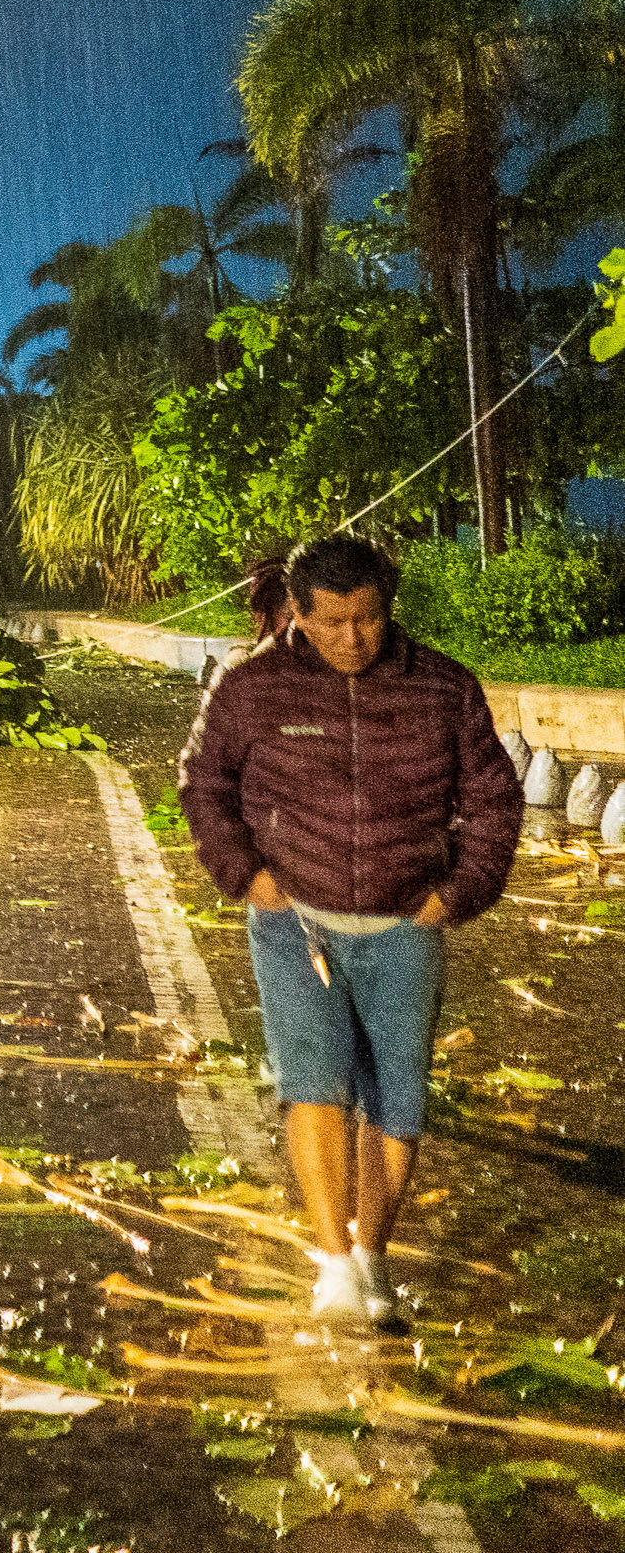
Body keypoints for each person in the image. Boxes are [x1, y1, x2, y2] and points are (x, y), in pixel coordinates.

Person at [178, 532, 520, 1329]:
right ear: (295, 612)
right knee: (315, 1086)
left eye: (365, 619)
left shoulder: (442, 687)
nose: (350, 639)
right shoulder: (250, 686)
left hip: (406, 924)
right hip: (293, 921)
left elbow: (495, 800)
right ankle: (332, 1266)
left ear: (387, 606)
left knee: (396, 1100)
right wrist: (245, 876)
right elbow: (203, 782)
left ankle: (373, 1257)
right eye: (329, 622)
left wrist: (455, 894)